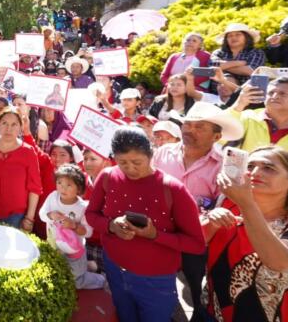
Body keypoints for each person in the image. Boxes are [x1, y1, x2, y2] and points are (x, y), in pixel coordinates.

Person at [85, 127, 205, 322]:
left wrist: (154, 235)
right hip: (115, 269)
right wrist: (111, 226)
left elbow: (196, 244)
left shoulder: (173, 189)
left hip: (155, 280)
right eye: (122, 162)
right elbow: (91, 215)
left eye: (137, 162)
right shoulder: (107, 176)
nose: (130, 169)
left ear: (151, 155)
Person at [152, 102, 245, 321]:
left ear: (216, 136)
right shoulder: (163, 152)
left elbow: (223, 206)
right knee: (157, 281)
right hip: (158, 234)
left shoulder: (224, 165)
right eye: (188, 124)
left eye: (199, 127)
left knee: (197, 286)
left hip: (197, 238)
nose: (190, 130)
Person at [204, 146, 288, 322]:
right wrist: (212, 222)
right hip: (214, 312)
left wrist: (246, 204)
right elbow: (196, 243)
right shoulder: (228, 204)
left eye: (268, 168)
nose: (254, 172)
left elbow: (282, 261)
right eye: (249, 166)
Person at [0, 107, 42, 230]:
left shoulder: (28, 152)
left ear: (21, 128)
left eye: (14, 124)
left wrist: (29, 218)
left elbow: (34, 188)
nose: (9, 128)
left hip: (16, 214)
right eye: (4, 123)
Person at [39, 165, 105, 289]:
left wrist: (73, 225)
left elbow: (88, 232)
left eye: (68, 185)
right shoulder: (53, 196)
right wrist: (50, 215)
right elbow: (42, 214)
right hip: (54, 246)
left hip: (74, 251)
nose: (63, 188)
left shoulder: (83, 207)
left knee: (75, 282)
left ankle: (99, 280)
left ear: (79, 189)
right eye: (59, 183)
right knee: (58, 276)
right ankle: (87, 266)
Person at [228, 75, 288, 152]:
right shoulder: (247, 117)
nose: (274, 96)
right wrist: (239, 104)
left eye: (282, 94)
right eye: (271, 93)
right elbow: (219, 138)